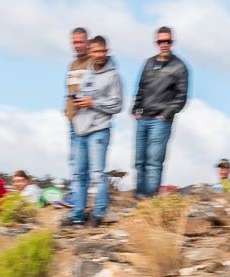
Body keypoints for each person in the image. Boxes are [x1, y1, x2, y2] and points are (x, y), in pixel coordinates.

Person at [69, 36, 122, 227]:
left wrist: (93, 103)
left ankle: (99, 213)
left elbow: (117, 105)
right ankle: (77, 215)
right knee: (78, 174)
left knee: (97, 173)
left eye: (102, 51)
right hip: (81, 128)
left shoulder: (114, 76)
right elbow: (87, 98)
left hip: (99, 129)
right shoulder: (88, 74)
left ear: (107, 51)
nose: (99, 55)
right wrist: (79, 102)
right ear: (90, 52)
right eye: (95, 51)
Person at [132, 26, 189, 198]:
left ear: (172, 42)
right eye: (160, 41)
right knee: (139, 161)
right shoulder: (148, 63)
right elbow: (141, 88)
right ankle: (139, 198)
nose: (164, 44)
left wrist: (166, 114)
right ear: (156, 43)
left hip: (161, 120)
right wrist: (136, 108)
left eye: (167, 41)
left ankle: (150, 200)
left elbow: (181, 97)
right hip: (143, 117)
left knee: (153, 163)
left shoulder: (180, 67)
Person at [64, 26, 91, 172]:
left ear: (87, 42)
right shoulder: (72, 64)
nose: (77, 46)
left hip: (87, 119)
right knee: (73, 161)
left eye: (80, 42)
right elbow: (69, 89)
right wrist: (67, 110)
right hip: (72, 119)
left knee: (83, 165)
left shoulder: (93, 62)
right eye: (74, 42)